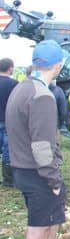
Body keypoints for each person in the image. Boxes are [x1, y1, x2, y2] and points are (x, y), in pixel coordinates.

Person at [6, 40, 70, 239]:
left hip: (22, 169)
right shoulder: (43, 96)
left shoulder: (22, 87)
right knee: (36, 233)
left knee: (51, 224)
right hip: (39, 174)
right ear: (57, 65)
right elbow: (42, 146)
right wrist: (54, 181)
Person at [0, 58, 19, 186]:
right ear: (10, 68)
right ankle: (8, 179)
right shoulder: (14, 84)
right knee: (8, 149)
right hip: (8, 120)